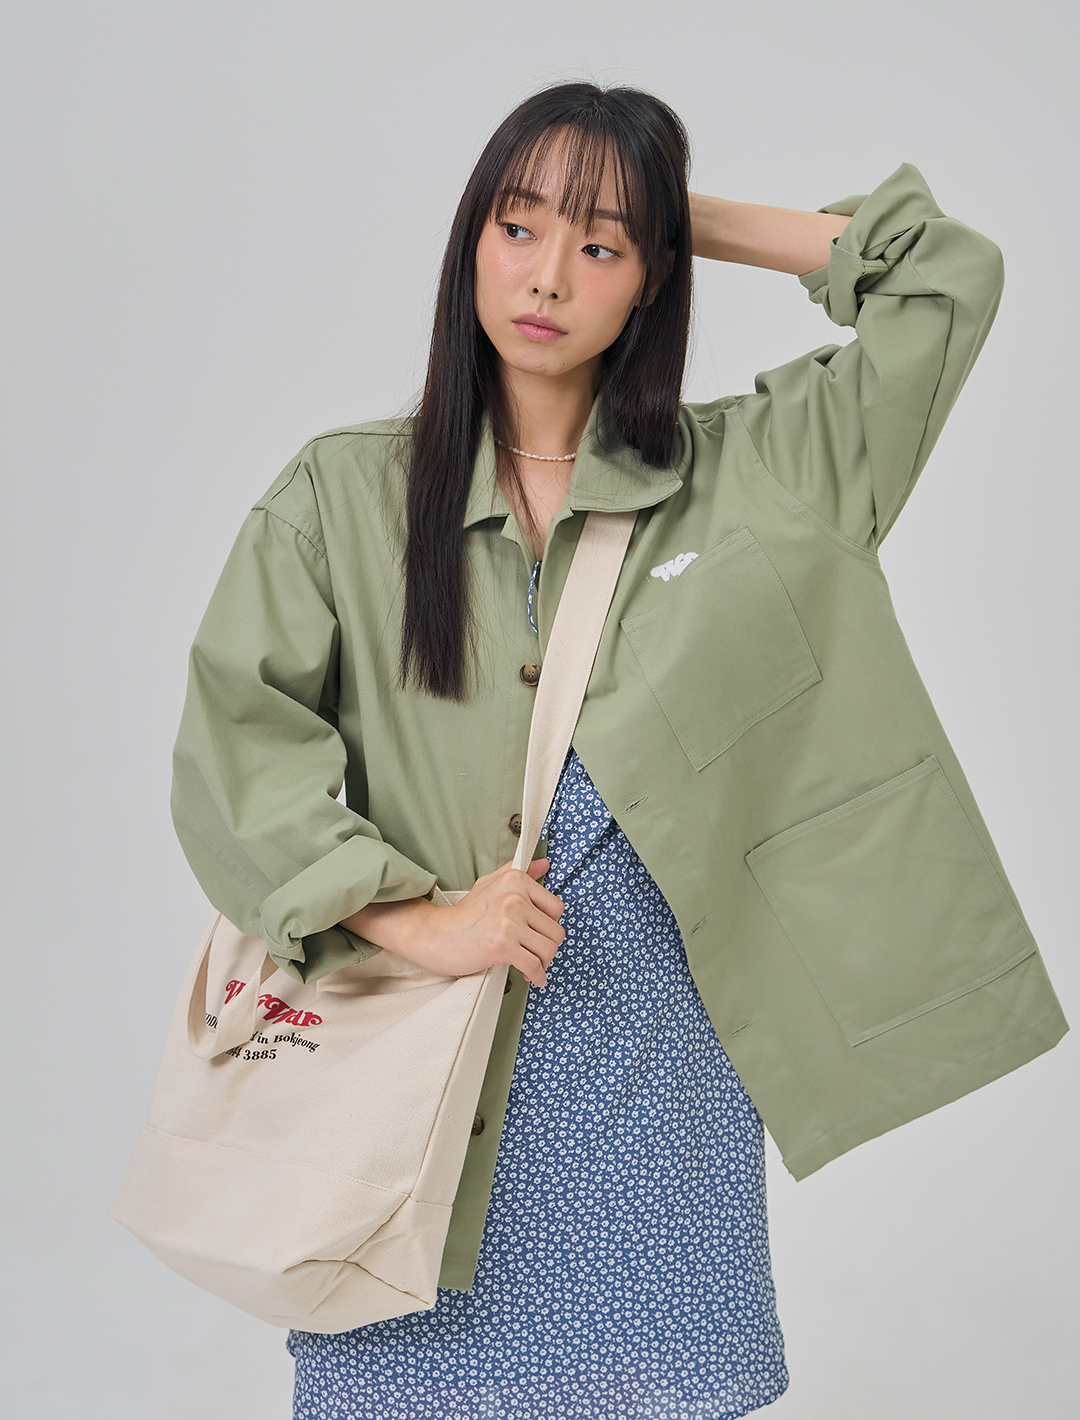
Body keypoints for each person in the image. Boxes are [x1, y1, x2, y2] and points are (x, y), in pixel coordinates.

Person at [171, 82, 1067, 1420]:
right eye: (518, 225)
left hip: (664, 1109)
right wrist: (418, 920)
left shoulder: (769, 471)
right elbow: (236, 753)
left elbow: (947, 278)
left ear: (652, 276)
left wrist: (669, 209)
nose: (547, 276)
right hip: (421, 1098)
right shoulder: (340, 495)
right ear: (470, 237)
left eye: (599, 246)